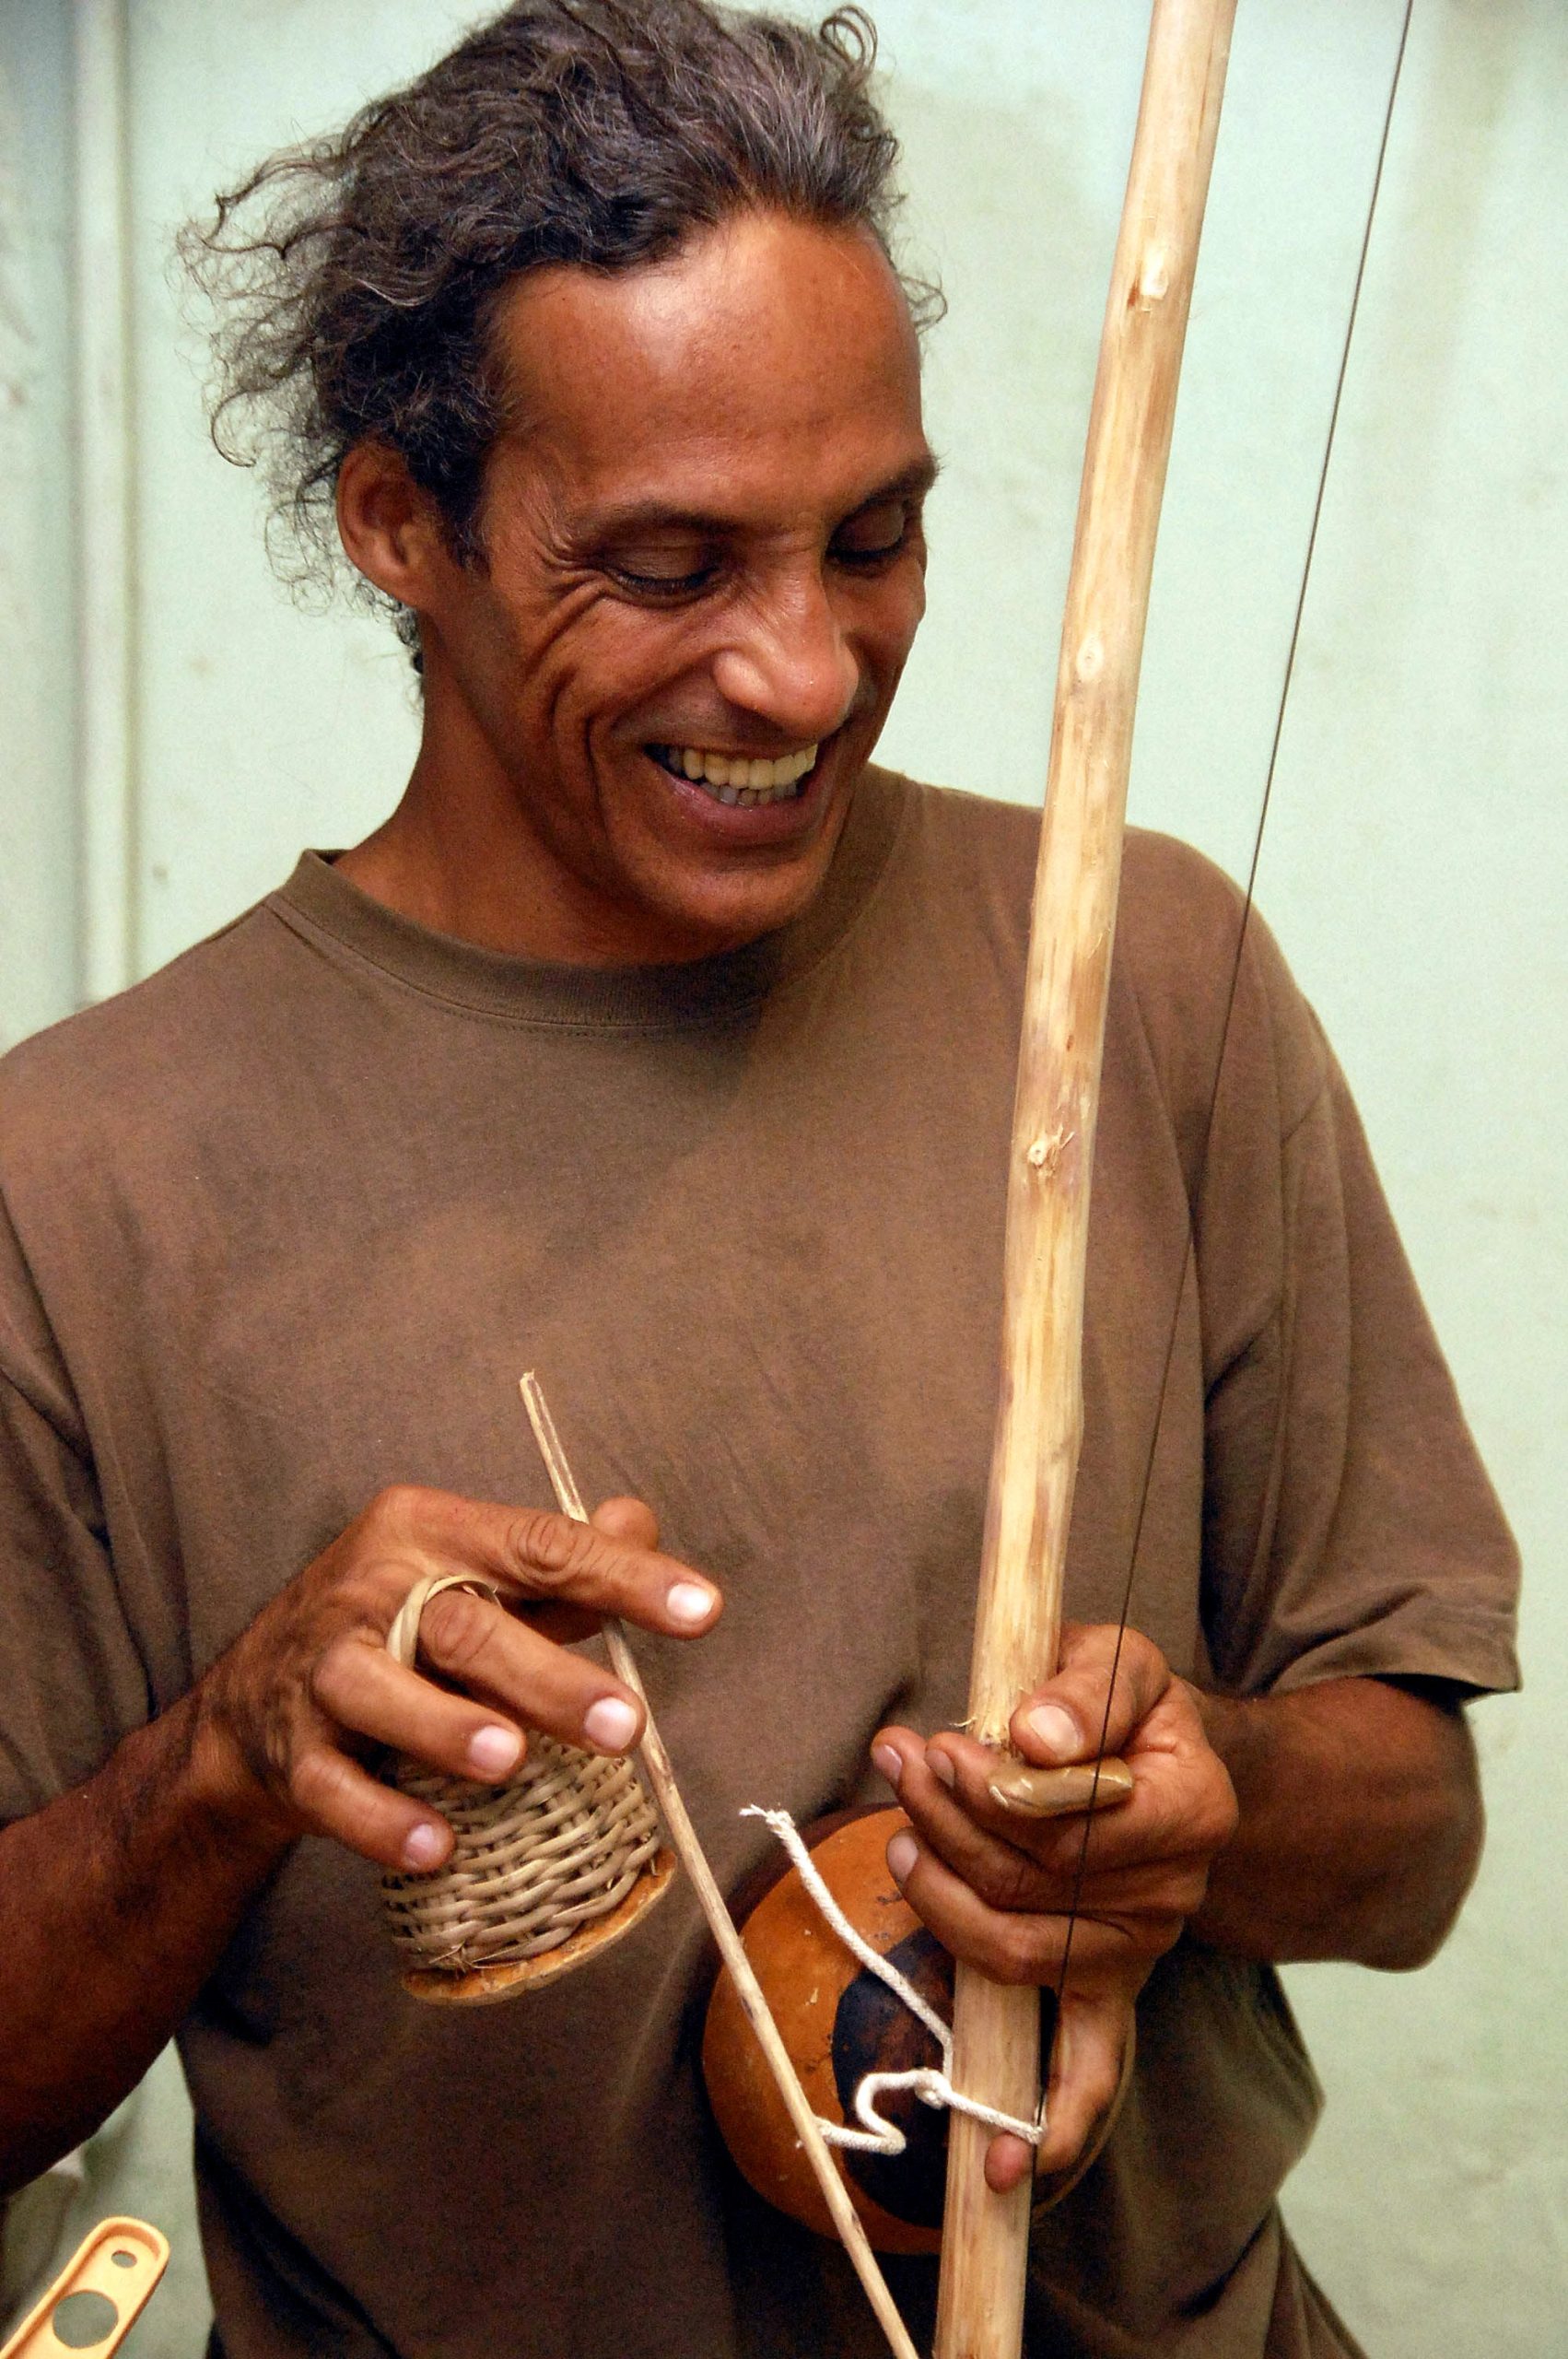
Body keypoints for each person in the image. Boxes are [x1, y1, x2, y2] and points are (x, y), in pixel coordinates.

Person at [0, 5, 1518, 2354]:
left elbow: (1409, 1844)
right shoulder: (78, 1176)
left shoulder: (1138, 964)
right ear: (399, 524)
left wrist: (1205, 1800)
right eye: (666, 564)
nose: (803, 669)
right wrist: (223, 1758)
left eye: (871, 538)